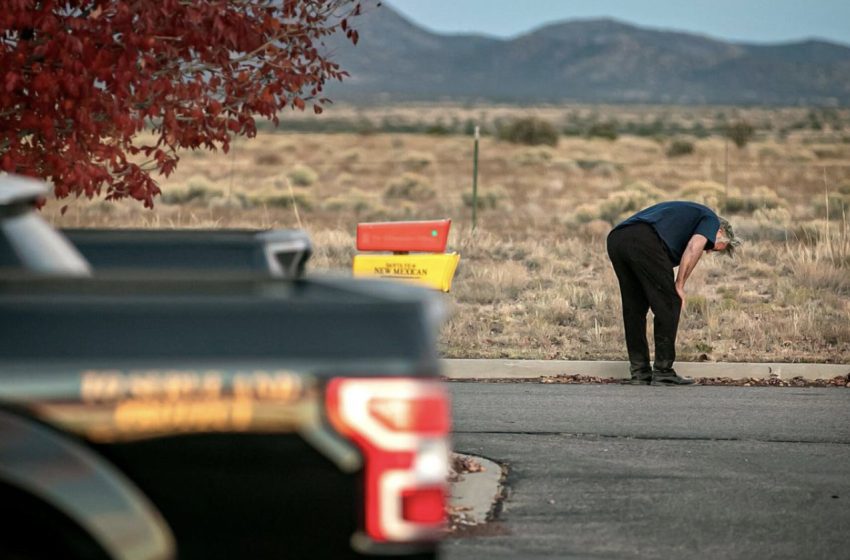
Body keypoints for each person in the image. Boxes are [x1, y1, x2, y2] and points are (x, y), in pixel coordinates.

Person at [606, 201, 740, 386]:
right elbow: (694, 247)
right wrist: (679, 285)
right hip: (643, 239)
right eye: (712, 247)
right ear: (720, 232)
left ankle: (640, 372)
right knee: (670, 303)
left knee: (634, 308)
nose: (708, 251)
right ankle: (663, 372)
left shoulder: (688, 218)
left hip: (617, 238)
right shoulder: (711, 220)